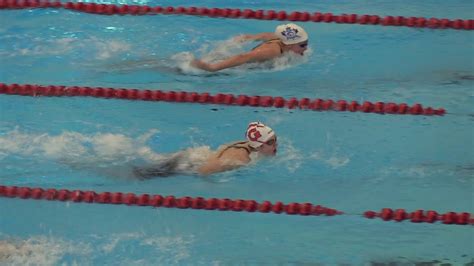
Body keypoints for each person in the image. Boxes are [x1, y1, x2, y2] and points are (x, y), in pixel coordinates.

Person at [133, 122, 277, 178]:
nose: (275, 146)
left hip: (189, 155)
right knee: (141, 174)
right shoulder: (241, 159)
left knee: (145, 167)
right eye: (270, 143)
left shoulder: (246, 144)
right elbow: (204, 170)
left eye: (275, 141)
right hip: (185, 165)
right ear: (258, 146)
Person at [190, 23, 309, 72]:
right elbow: (244, 57)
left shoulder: (276, 37)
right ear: (289, 44)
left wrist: (236, 42)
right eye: (302, 45)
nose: (306, 48)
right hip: (235, 67)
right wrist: (212, 68)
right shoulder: (272, 51)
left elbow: (251, 36)